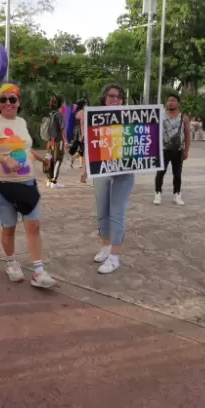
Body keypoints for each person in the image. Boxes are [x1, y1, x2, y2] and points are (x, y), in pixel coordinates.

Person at [0, 82, 56, 289]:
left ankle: (38, 271)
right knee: (9, 227)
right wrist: (4, 160)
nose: (8, 103)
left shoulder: (21, 122)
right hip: (2, 187)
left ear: (19, 102)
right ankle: (11, 262)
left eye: (13, 99)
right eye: (3, 99)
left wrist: (39, 158)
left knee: (33, 226)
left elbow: (24, 148)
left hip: (27, 184)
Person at [80, 83, 134, 274]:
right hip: (101, 168)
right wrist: (86, 167)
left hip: (124, 171)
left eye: (119, 97)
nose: (115, 100)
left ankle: (114, 256)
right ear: (104, 98)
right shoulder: (94, 117)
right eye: (111, 96)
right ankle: (105, 247)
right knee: (102, 210)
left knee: (117, 212)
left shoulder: (132, 117)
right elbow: (88, 143)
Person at [154, 93, 190, 206]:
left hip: (178, 150)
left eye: (173, 100)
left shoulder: (184, 117)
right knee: (160, 173)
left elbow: (188, 134)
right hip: (162, 150)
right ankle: (158, 193)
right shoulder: (159, 115)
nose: (171, 102)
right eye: (169, 100)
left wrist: (186, 151)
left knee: (177, 174)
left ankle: (177, 194)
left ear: (178, 103)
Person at [45, 95, 67, 188]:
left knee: (50, 159)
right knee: (58, 160)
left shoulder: (49, 114)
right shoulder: (59, 115)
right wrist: (65, 141)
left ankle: (49, 180)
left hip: (50, 141)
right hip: (58, 141)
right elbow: (62, 129)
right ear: (60, 104)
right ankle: (54, 182)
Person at [68, 100, 86, 169]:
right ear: (83, 105)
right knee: (83, 150)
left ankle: (81, 163)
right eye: (85, 104)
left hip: (77, 133)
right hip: (82, 133)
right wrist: (83, 135)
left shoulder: (76, 113)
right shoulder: (83, 112)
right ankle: (73, 158)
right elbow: (82, 124)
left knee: (82, 149)